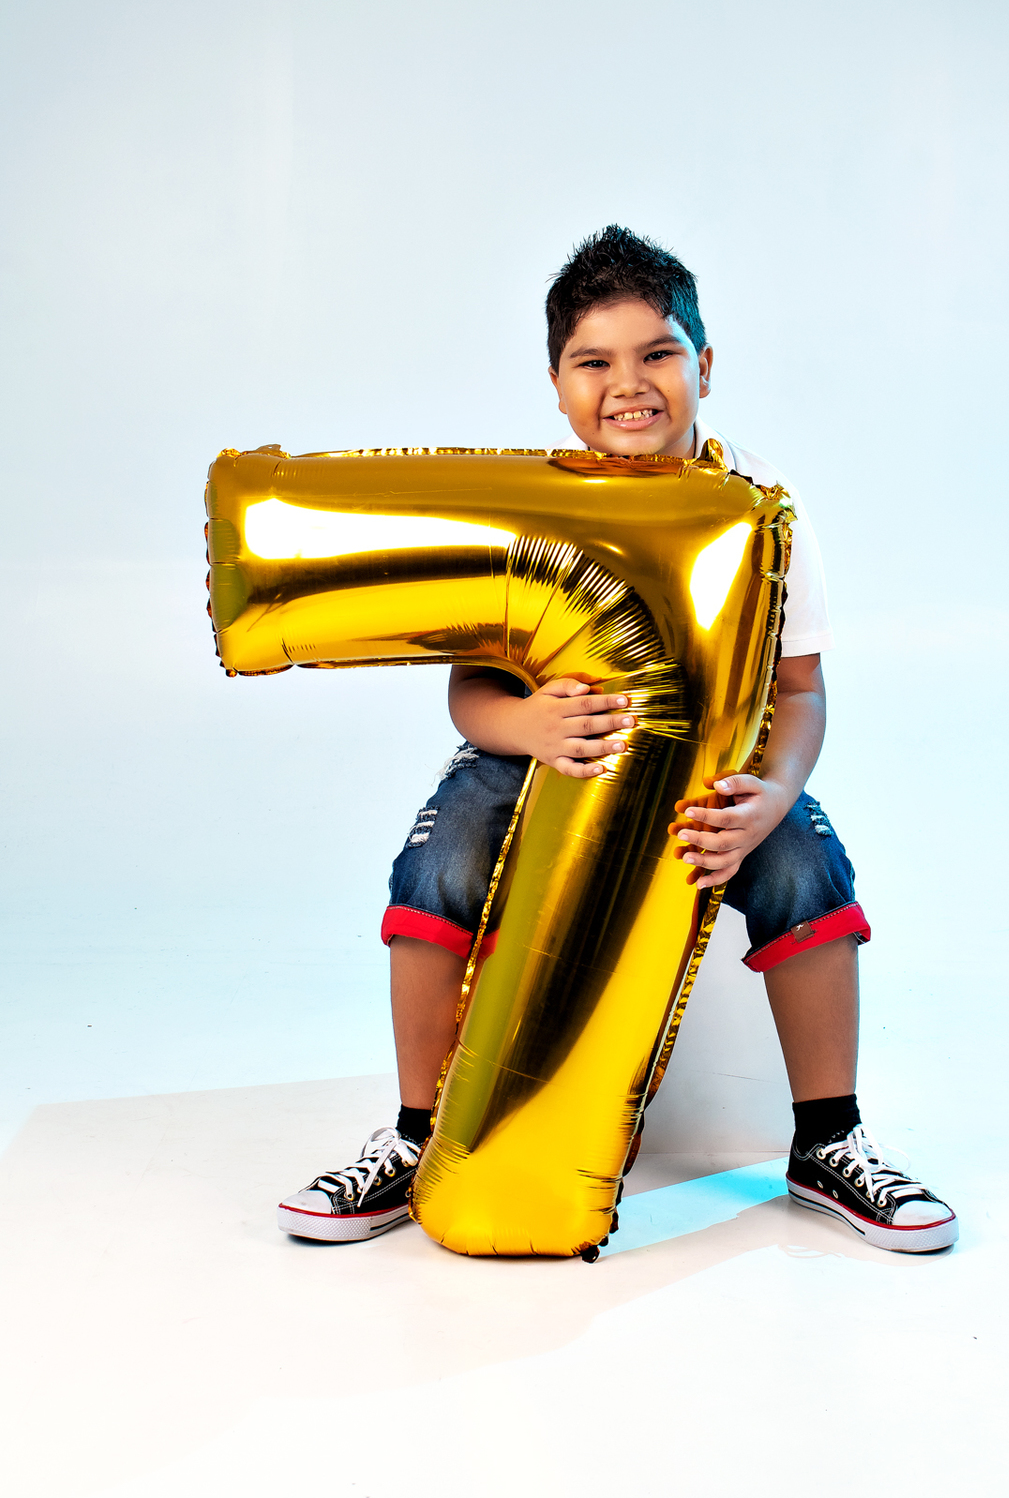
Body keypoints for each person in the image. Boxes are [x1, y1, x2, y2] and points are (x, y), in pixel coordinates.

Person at [278, 226, 957, 1254]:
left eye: (657, 354)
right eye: (593, 362)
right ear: (557, 385)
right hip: (545, 750)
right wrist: (525, 724)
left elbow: (801, 689)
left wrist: (773, 794)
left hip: (711, 759)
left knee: (805, 868)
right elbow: (470, 690)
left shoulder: (760, 504)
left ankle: (830, 1139)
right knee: (440, 860)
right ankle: (416, 1135)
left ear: (704, 366)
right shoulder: (537, 504)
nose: (628, 385)